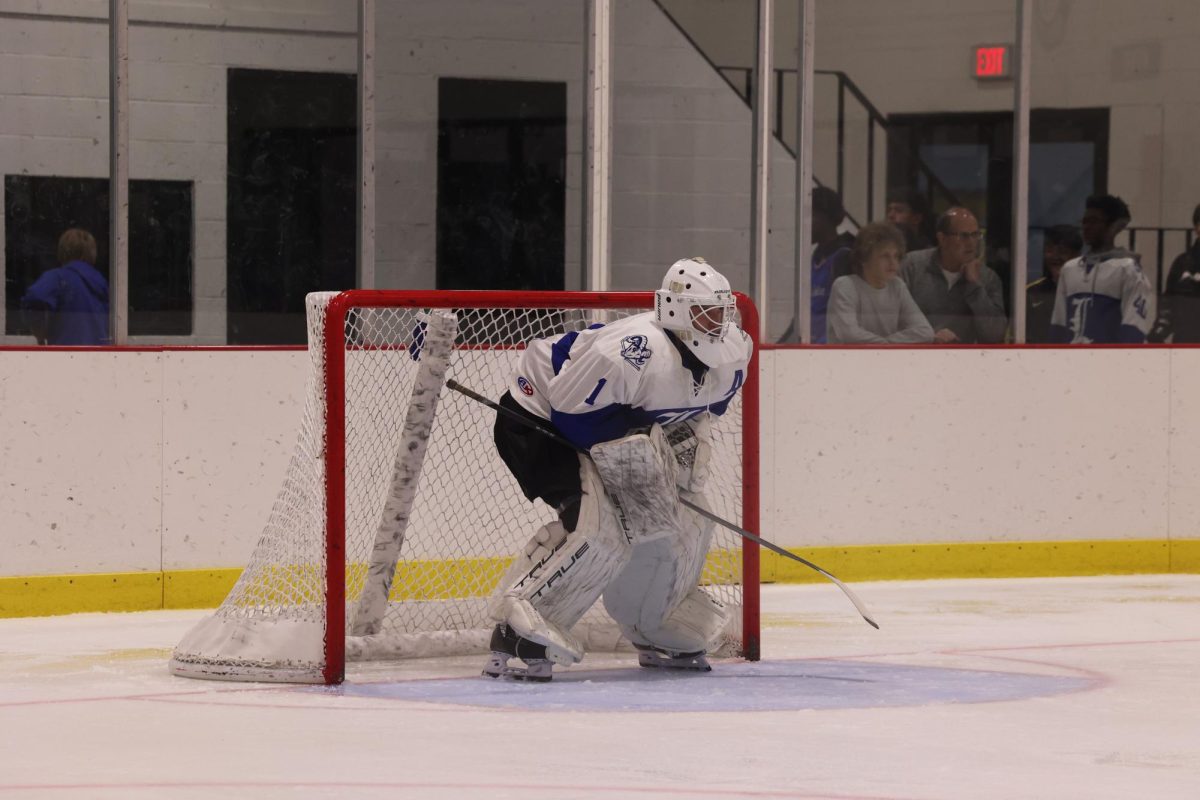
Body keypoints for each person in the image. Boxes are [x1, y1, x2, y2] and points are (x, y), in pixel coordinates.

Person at [483, 257, 753, 682]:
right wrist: (638, 456)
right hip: (539, 419)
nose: (718, 324)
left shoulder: (735, 353)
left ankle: (655, 622)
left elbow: (698, 414)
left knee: (686, 520)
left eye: (722, 312)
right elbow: (573, 414)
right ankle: (520, 626)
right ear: (675, 311)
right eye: (706, 313)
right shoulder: (633, 349)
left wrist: (670, 464)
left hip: (611, 427)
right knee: (598, 526)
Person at [1049, 195, 1153, 344]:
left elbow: (1133, 327)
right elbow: (1058, 324)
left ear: (1113, 226)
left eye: (1094, 221)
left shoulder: (1128, 269)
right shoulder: (1069, 269)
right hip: (1073, 362)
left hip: (1110, 363)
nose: (1086, 227)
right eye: (1084, 222)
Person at [900, 207, 1007, 343]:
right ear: (942, 238)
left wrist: (974, 286)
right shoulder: (911, 266)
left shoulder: (988, 278)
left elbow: (995, 337)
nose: (971, 243)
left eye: (975, 235)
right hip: (911, 355)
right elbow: (891, 320)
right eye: (963, 236)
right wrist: (928, 337)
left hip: (962, 361)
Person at [826, 222, 933, 344]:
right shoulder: (845, 286)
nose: (893, 263)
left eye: (896, 256)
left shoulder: (897, 286)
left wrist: (887, 343)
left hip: (885, 359)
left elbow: (925, 331)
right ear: (864, 258)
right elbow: (848, 334)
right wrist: (886, 345)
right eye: (885, 256)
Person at [778, 186, 855, 343]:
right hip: (811, 345)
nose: (803, 223)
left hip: (829, 350)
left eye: (809, 216)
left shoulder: (844, 257)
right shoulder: (817, 255)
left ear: (825, 217)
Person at [19, 228, 109, 345]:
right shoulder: (101, 282)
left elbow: (36, 297)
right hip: (101, 354)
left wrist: (39, 330)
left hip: (66, 352)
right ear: (92, 252)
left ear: (62, 251)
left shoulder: (58, 278)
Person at [1149, 203, 1200, 343]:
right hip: (1185, 343)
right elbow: (1168, 303)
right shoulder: (1183, 263)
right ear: (1197, 227)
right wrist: (1160, 330)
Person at [1026, 225, 1083, 343]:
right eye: (1049, 250)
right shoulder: (1030, 293)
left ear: (1076, 255)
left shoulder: (1088, 291)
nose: (1055, 257)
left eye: (1062, 251)